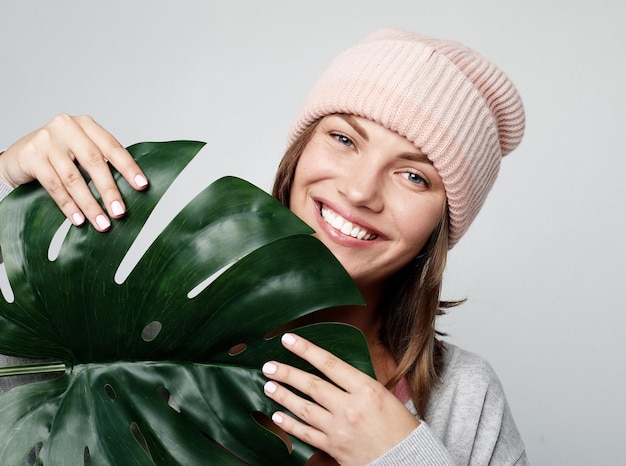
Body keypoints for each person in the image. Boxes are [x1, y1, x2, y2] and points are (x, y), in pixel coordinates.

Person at [0, 28, 527, 465]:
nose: (360, 191)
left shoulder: (464, 395)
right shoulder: (120, 333)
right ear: (299, 153)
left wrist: (403, 455)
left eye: (413, 175)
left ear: (443, 221)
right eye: (343, 139)